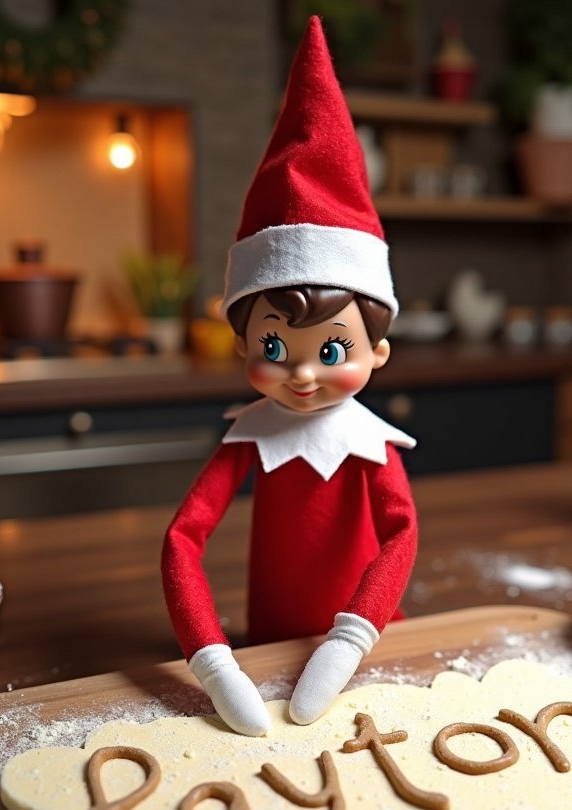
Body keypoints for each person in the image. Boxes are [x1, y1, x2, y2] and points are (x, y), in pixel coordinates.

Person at [161, 16, 417, 736]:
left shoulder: (372, 446)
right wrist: (211, 661)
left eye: (332, 351)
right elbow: (182, 541)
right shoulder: (252, 437)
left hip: (374, 652)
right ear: (240, 343)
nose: (302, 374)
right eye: (274, 348)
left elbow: (401, 537)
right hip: (262, 642)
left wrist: (350, 639)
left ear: (379, 355)